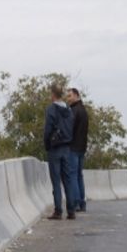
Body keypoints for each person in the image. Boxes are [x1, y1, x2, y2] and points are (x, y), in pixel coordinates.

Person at [43, 84, 79, 220]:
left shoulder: (51, 109)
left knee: (56, 181)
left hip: (55, 148)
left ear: (53, 94)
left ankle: (58, 210)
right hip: (67, 148)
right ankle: (71, 210)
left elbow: (47, 130)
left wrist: (47, 144)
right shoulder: (69, 110)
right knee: (68, 180)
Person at [67, 87, 89, 212]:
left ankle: (75, 201)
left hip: (73, 147)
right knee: (79, 175)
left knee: (73, 175)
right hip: (82, 147)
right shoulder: (84, 110)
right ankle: (82, 202)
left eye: (70, 96)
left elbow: (70, 129)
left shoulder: (73, 111)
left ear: (76, 95)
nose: (68, 99)